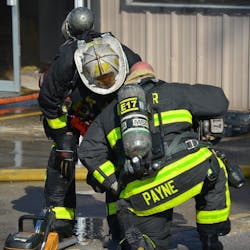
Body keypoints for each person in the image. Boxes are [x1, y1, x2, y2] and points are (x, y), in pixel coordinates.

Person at [78, 61, 232, 249]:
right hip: (190, 173)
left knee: (150, 240)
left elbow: (88, 151)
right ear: (152, 76)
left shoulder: (110, 112)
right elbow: (220, 101)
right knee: (216, 166)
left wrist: (114, 182)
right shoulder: (176, 92)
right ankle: (211, 239)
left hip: (146, 192)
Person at [38, 6, 141, 240]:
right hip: (73, 114)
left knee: (120, 158)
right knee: (63, 160)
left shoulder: (123, 54)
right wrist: (61, 136)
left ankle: (119, 220)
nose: (105, 79)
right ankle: (61, 219)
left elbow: (141, 82)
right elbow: (48, 98)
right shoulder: (67, 60)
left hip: (108, 112)